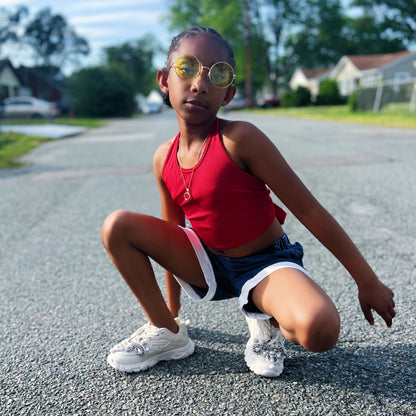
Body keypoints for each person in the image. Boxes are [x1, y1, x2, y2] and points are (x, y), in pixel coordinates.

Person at [101, 26, 396, 377]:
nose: (200, 83)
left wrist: (367, 280)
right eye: (187, 68)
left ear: (229, 94)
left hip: (264, 264)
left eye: (218, 74)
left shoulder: (240, 139)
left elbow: (309, 209)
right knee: (117, 226)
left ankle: (266, 317)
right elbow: (172, 232)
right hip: (207, 261)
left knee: (319, 330)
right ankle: (167, 334)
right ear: (165, 80)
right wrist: (171, 315)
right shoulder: (162, 157)